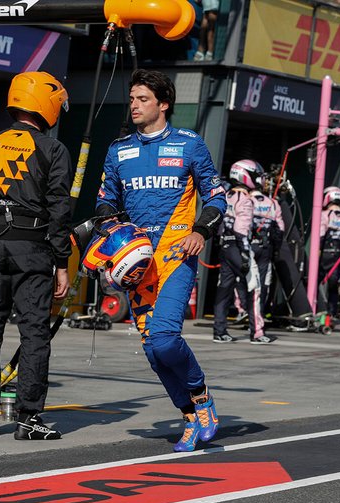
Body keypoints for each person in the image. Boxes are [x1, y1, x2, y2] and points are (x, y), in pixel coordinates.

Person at [96, 69, 227, 452]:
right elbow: (105, 200)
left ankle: (201, 395)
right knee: (153, 352)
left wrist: (200, 231)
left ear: (163, 103)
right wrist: (107, 224)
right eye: (132, 99)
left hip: (175, 255)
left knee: (166, 340)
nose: (134, 105)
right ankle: (189, 417)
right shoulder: (118, 150)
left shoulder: (189, 144)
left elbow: (216, 197)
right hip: (135, 262)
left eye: (143, 99)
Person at [0, 71, 73, 440]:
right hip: (33, 251)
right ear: (46, 103)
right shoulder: (53, 150)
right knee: (34, 334)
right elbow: (59, 210)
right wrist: (61, 262)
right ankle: (28, 418)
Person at [213, 164, 254, 344]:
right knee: (255, 286)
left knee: (224, 288)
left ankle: (219, 331)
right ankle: (257, 331)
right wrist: (245, 252)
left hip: (224, 246)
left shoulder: (225, 194)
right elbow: (241, 228)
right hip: (237, 247)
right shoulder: (244, 198)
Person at [249, 164, 284, 339]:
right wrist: (275, 250)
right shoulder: (273, 203)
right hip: (265, 248)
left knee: (237, 283)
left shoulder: (241, 199)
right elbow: (280, 230)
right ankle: (257, 322)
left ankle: (237, 313)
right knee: (261, 286)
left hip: (243, 247)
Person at [318, 186, 340, 316]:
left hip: (324, 254)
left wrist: (318, 252)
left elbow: (321, 235)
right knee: (333, 285)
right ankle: (331, 312)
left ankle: (319, 309)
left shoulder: (324, 214)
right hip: (338, 255)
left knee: (314, 282)